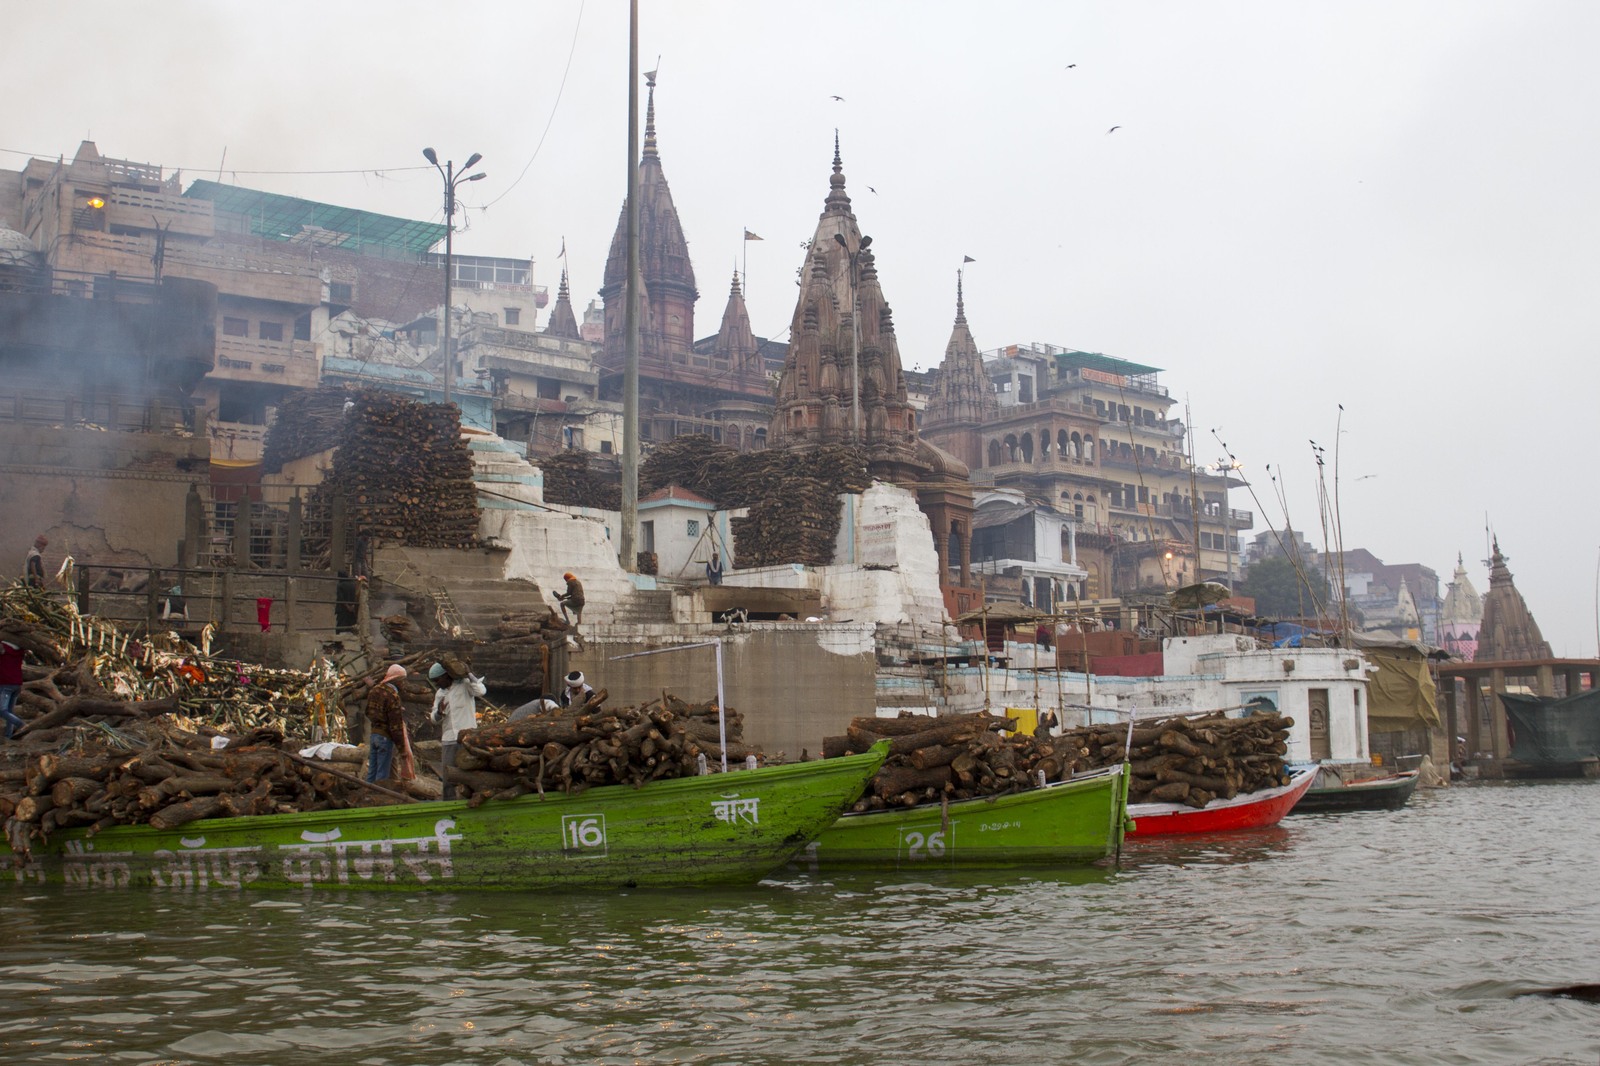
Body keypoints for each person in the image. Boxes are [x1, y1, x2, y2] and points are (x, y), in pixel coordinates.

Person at [429, 661, 485, 800]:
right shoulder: (440, 694)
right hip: (449, 739)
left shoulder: (465, 685)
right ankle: (449, 805)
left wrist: (469, 674)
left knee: (469, 772)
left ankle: (471, 800)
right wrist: (439, 713)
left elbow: (481, 691)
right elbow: (433, 719)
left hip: (467, 737)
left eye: (437, 680)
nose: (436, 683)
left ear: (446, 676)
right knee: (448, 776)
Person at [365, 663, 407, 783]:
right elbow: (396, 726)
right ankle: (377, 799)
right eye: (402, 680)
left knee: (371, 772)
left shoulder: (374, 690)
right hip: (385, 738)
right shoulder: (393, 695)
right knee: (382, 775)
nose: (403, 684)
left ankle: (366, 796)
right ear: (396, 680)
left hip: (374, 736)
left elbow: (368, 712)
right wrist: (402, 748)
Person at [0, 638, 26, 740]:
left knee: (2, 710)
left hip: (5, 683)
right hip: (17, 684)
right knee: (10, 711)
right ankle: (8, 735)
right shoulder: (20, 650)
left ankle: (21, 725)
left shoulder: (3, 648)